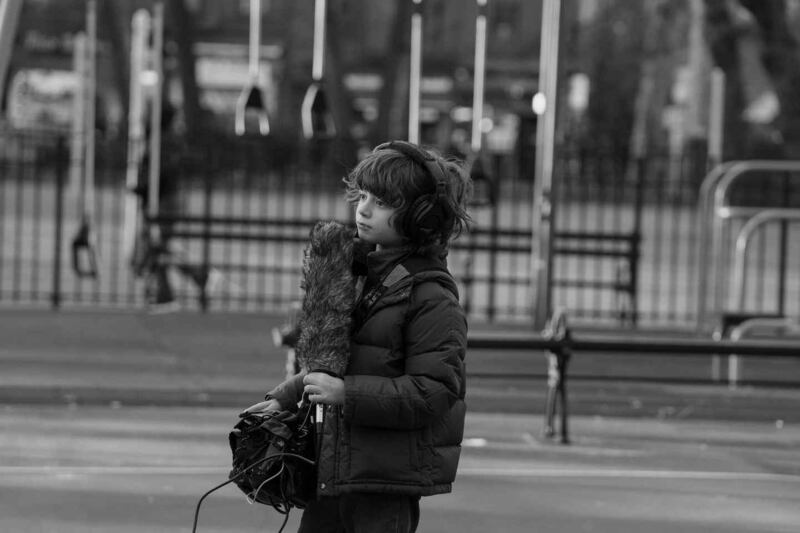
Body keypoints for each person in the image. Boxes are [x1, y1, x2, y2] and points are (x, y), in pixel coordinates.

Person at [244, 140, 473, 532]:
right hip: (332, 473)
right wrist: (284, 397)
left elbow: (434, 391)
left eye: (381, 202)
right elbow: (338, 363)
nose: (363, 209)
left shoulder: (431, 297)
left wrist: (347, 394)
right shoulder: (362, 277)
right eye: (362, 196)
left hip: (383, 483)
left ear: (420, 216)